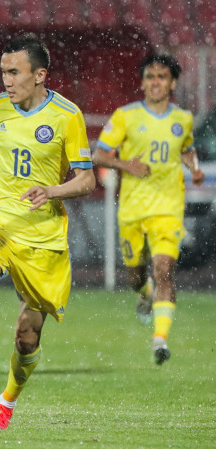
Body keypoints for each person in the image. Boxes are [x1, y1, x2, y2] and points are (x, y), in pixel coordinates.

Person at [0, 33, 95, 430]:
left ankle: (6, 402)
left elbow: (87, 181)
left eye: (14, 72)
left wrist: (53, 190)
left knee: (27, 337)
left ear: (40, 74)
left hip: (43, 236)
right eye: (3, 72)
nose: (6, 80)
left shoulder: (66, 116)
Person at [93, 53, 204, 365]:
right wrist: (126, 164)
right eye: (150, 77)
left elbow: (186, 148)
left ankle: (160, 340)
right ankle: (144, 294)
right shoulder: (125, 116)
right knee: (135, 274)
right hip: (132, 210)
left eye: (162, 77)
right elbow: (98, 155)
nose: (156, 82)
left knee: (164, 270)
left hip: (168, 208)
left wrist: (193, 167)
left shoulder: (182, 119)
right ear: (142, 83)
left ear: (173, 83)